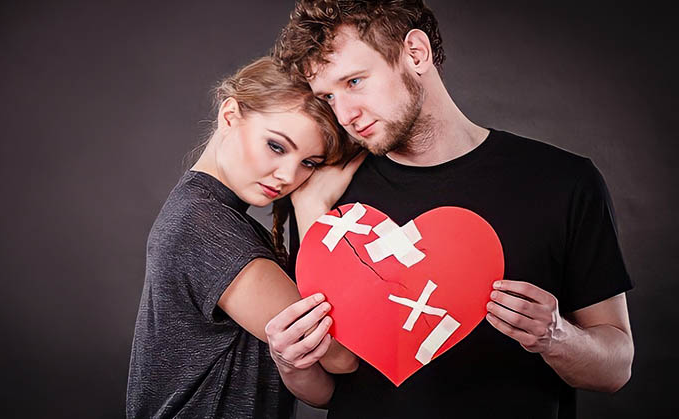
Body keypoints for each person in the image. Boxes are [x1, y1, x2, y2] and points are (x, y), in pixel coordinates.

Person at [265, 1, 635, 418]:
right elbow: (333, 385)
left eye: (355, 81)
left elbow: (616, 367)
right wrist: (290, 364)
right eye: (329, 96)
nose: (345, 114)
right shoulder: (325, 199)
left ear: (416, 53)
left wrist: (557, 336)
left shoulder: (563, 181)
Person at [125, 56, 361, 419]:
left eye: (309, 163)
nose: (287, 175)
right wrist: (313, 203)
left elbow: (324, 392)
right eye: (277, 146)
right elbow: (342, 355)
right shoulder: (203, 226)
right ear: (230, 115)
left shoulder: (209, 213)